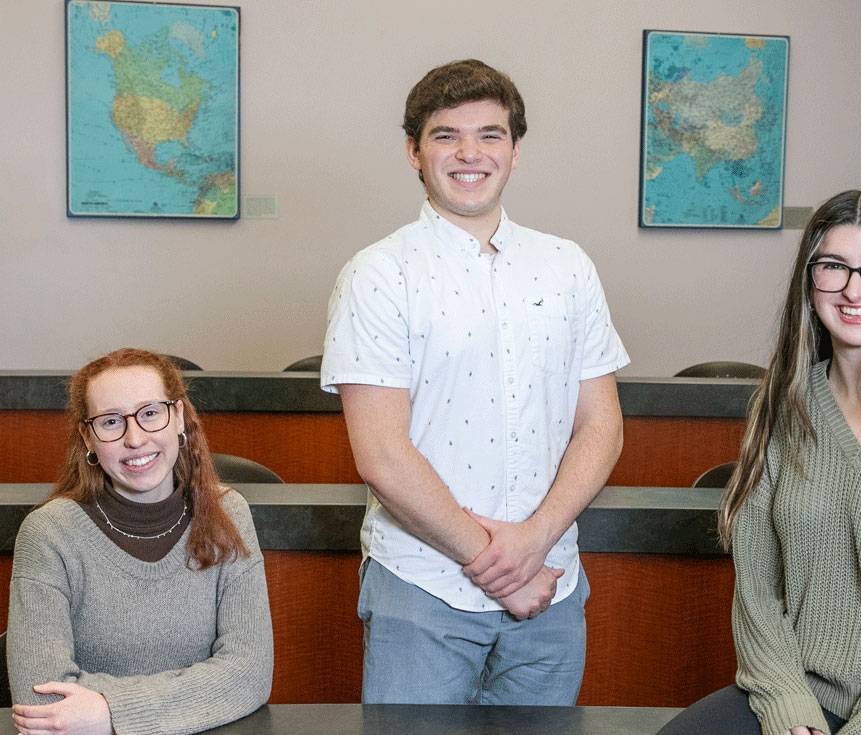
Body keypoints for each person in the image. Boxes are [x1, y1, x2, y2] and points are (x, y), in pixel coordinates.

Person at [320, 58, 629, 705]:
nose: (470, 153)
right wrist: (499, 566)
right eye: (445, 134)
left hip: (552, 586)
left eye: (490, 134)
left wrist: (534, 542)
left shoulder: (567, 266)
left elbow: (601, 425)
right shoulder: (378, 273)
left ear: (515, 150)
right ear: (413, 150)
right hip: (423, 590)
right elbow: (381, 454)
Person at [660, 190, 861, 735]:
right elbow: (758, 586)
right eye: (834, 266)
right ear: (809, 287)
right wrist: (787, 702)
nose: (856, 289)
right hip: (809, 692)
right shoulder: (785, 403)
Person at [7, 348, 273, 735]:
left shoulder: (228, 514)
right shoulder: (48, 533)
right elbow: (42, 704)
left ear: (178, 416)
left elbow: (249, 675)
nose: (135, 438)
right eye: (111, 421)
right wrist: (202, 692)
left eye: (150, 413)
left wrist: (109, 712)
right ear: (88, 436)